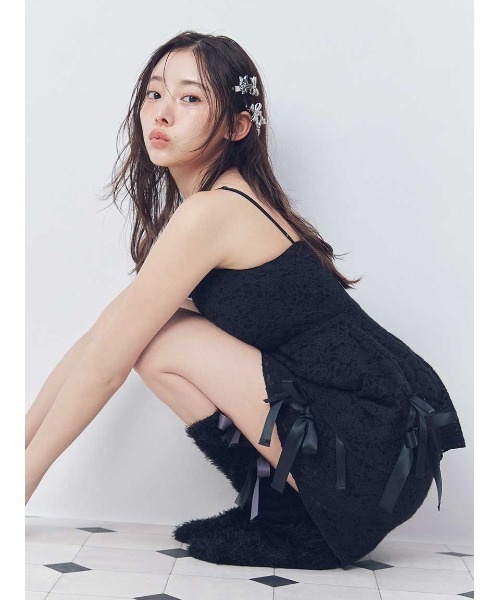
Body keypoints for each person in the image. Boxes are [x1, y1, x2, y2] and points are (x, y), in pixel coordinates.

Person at [25, 30, 466, 569]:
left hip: (365, 457)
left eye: (190, 98)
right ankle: (280, 511)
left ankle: (298, 522)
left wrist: (22, 485)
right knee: (133, 328)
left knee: (155, 342)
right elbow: (102, 338)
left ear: (237, 126)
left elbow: (105, 367)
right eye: (155, 93)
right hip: (371, 455)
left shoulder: (212, 212)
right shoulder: (221, 203)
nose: (162, 112)